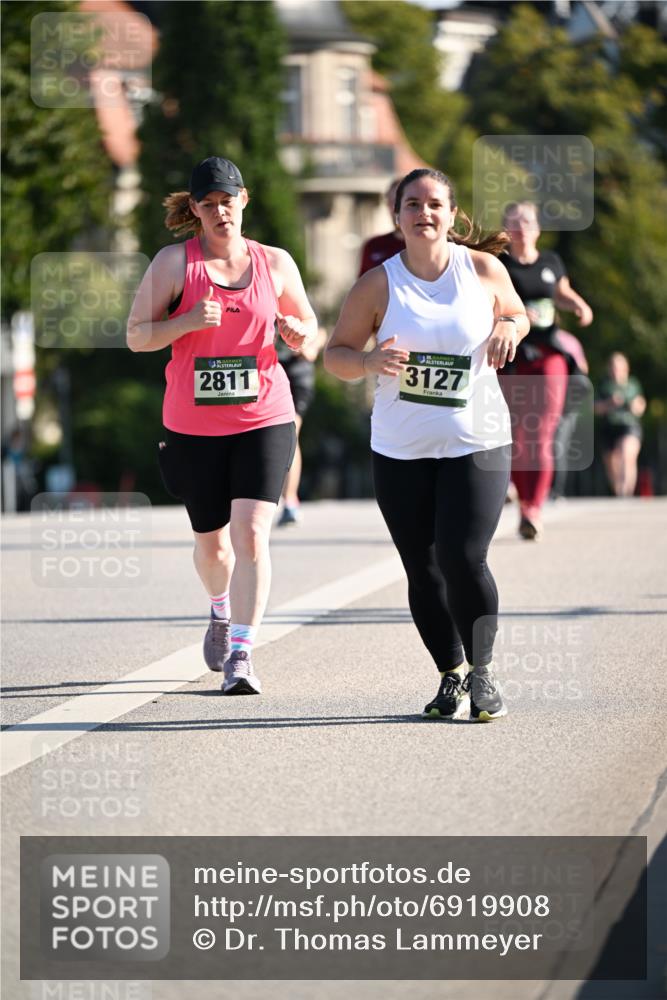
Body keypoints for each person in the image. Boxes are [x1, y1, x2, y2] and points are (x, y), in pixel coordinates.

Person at [324, 168, 529, 722]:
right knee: (423, 568)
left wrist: (510, 325)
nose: (424, 213)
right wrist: (366, 361)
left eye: (434, 203)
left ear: (451, 213)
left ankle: (483, 675)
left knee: (465, 557)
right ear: (398, 218)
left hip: (477, 439)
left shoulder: (481, 268)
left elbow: (516, 311)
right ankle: (450, 674)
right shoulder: (377, 284)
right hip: (401, 449)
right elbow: (335, 354)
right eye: (412, 204)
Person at [127, 156, 317, 695]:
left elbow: (311, 327)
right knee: (213, 549)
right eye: (208, 205)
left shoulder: (275, 262)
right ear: (195, 209)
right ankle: (218, 608)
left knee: (252, 534)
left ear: (244, 201)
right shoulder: (173, 263)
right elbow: (137, 335)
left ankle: (241, 653)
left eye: (227, 202)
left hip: (264, 416)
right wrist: (186, 321)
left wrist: (300, 334)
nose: (219, 212)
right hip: (191, 427)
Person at [500, 201, 593, 539]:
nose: (521, 226)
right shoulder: (498, 264)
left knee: (540, 433)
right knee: (513, 434)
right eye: (514, 221)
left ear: (538, 228)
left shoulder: (551, 262)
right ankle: (511, 486)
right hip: (510, 355)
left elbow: (562, 293)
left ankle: (532, 509)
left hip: (548, 354)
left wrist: (579, 305)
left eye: (527, 221)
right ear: (506, 230)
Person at [276, 325, 327, 525]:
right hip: (264, 370)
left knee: (290, 432)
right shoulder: (251, 294)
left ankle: (289, 501)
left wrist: (311, 347)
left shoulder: (293, 295)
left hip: (296, 373)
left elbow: (320, 329)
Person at [595, 352, 646, 496]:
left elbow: (640, 405)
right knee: (611, 465)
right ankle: (618, 492)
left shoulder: (632, 384)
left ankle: (626, 492)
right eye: (613, 367)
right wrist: (608, 404)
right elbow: (594, 408)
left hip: (628, 426)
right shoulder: (603, 385)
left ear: (626, 368)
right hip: (609, 427)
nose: (615, 371)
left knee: (626, 454)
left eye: (619, 368)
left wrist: (635, 406)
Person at [550, 330, 590, 500]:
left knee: (556, 444)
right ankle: (549, 489)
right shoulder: (570, 340)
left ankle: (555, 490)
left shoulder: (567, 341)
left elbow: (582, 371)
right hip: (551, 401)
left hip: (563, 403)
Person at [358, 178, 405, 276]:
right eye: (392, 202)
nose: (395, 208)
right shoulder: (373, 245)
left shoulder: (430, 246)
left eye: (401, 202)